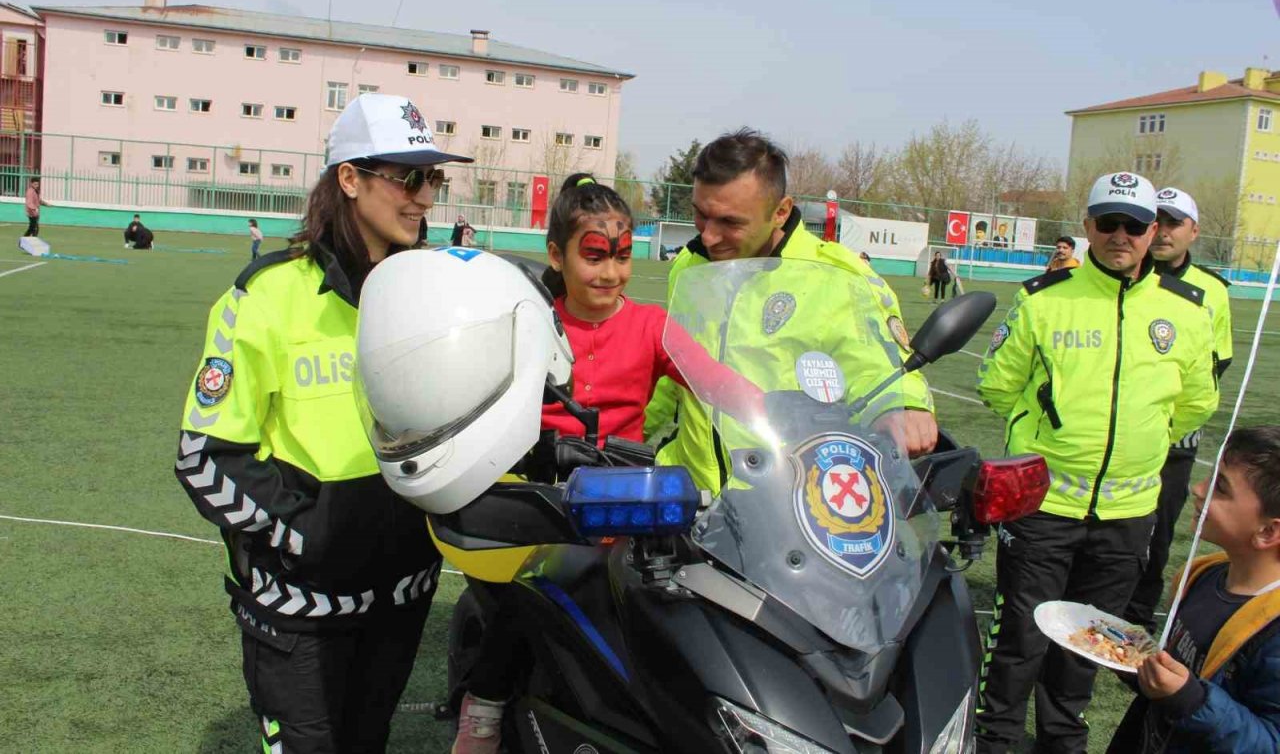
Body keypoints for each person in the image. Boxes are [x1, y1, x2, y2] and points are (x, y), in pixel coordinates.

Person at [172, 93, 472, 753]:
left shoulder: (432, 295)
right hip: (298, 613)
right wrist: (313, 534)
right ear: (349, 178)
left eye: (435, 178)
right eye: (409, 176)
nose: (426, 197)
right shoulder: (267, 296)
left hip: (401, 595)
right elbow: (205, 456)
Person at [451, 172, 763, 753]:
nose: (611, 272)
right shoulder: (530, 322)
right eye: (593, 255)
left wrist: (776, 410)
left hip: (629, 501)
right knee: (528, 597)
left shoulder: (649, 324)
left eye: (621, 256)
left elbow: (716, 381)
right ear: (557, 255)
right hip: (543, 498)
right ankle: (485, 706)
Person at [974, 171, 1219, 754]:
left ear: (1152, 230)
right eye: (1108, 223)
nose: (1120, 235)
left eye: (1134, 225)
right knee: (1020, 639)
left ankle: (1063, 738)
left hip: (1129, 512)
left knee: (1090, 642)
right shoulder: (1042, 300)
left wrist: (1142, 440)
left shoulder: (1186, 311)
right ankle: (998, 738)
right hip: (1044, 507)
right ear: (1087, 226)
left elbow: (1195, 402)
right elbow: (996, 385)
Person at [643, 128, 937, 494]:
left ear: (780, 211)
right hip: (691, 498)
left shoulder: (839, 276)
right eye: (701, 215)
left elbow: (879, 367)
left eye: (730, 223)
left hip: (791, 504)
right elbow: (678, 368)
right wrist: (620, 425)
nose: (708, 236)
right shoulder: (689, 266)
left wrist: (904, 406)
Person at [1107, 426, 1280, 753]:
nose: (1198, 489)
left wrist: (1191, 700)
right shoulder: (1203, 575)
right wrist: (1135, 665)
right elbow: (1181, 673)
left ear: (1268, 531)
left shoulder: (1272, 628)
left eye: (1220, 487)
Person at [1125, 186, 1234, 632]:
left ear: (1193, 231)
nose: (1165, 232)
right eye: (1158, 222)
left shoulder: (1211, 290)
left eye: (1174, 223)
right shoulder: (1127, 275)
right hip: (1121, 436)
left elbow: (1216, 364)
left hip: (1174, 439)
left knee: (1158, 531)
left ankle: (1133, 618)